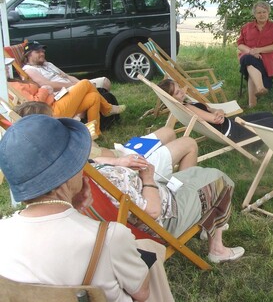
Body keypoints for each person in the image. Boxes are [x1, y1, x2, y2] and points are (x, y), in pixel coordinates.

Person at [0, 115, 174, 301]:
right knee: (150, 257)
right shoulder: (109, 237)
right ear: (67, 175)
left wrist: (71, 209)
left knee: (146, 247)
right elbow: (142, 293)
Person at [91, 161, 245, 264]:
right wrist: (148, 179)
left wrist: (118, 162)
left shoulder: (83, 178)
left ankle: (210, 225)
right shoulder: (109, 185)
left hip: (158, 192)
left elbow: (92, 159)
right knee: (220, 178)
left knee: (196, 172)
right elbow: (151, 213)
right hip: (167, 217)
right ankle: (217, 249)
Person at [14, 101, 198, 177]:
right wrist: (120, 161)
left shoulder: (51, 144)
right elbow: (91, 162)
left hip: (122, 153)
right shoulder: (60, 151)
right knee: (190, 143)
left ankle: (171, 170)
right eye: (51, 117)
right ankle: (183, 191)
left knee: (168, 132)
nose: (55, 119)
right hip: (126, 167)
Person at [159, 78, 273, 142]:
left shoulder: (186, 103)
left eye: (179, 87)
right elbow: (216, 119)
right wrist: (219, 112)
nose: (182, 91)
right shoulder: (189, 108)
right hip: (234, 132)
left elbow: (211, 110)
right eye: (177, 92)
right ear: (171, 97)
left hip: (231, 123)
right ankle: (256, 146)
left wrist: (217, 111)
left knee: (267, 114)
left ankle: (256, 142)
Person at [7, 74, 124, 136]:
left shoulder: (11, 82)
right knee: (85, 83)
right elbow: (34, 103)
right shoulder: (10, 87)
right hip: (51, 111)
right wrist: (44, 90)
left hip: (54, 103)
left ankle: (96, 132)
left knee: (93, 98)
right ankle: (107, 108)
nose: (7, 68)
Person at [237, 1, 273, 108]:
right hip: (247, 55)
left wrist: (258, 50)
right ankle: (260, 88)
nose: (261, 15)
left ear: (268, 13)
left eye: (264, 12)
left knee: (251, 67)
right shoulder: (246, 27)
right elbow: (239, 44)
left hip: (267, 61)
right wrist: (251, 52)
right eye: (259, 12)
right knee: (248, 59)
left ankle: (252, 104)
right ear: (254, 14)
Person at [22, 41, 112, 92]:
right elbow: (47, 84)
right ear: (28, 55)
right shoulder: (29, 70)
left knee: (105, 81)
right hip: (62, 93)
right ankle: (106, 109)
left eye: (43, 51)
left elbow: (67, 76)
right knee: (91, 90)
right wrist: (74, 85)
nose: (42, 54)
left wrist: (81, 83)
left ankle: (104, 108)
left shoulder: (48, 64)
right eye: (38, 52)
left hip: (72, 87)